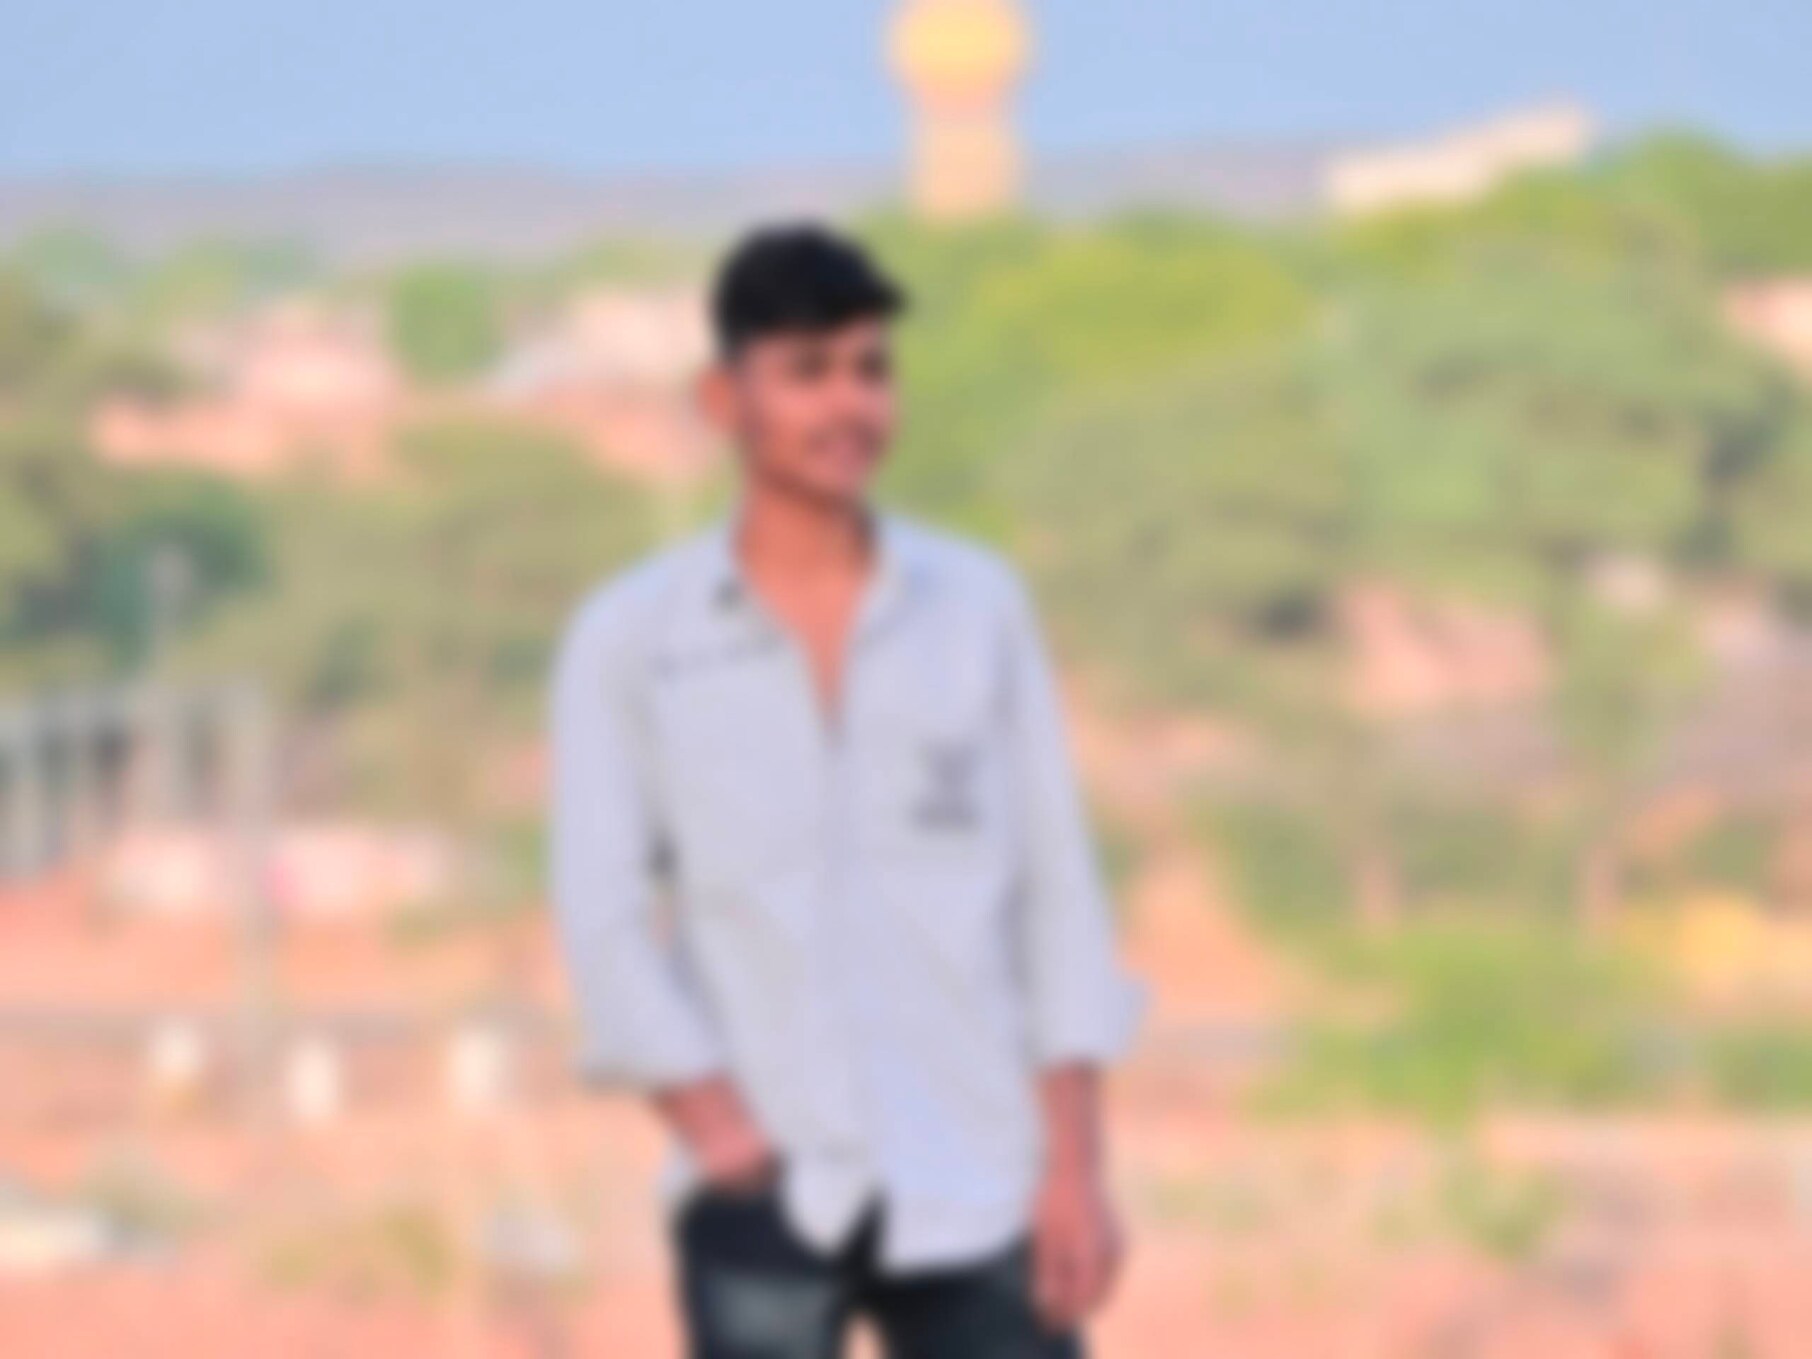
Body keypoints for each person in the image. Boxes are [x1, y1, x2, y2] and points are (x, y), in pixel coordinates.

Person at [550, 223, 1143, 1359]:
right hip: (765, 1186)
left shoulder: (976, 607)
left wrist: (1076, 1167)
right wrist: (710, 1120)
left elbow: (1056, 893)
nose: (848, 405)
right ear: (723, 399)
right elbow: (601, 909)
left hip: (982, 1180)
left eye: (871, 369)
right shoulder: (635, 637)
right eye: (807, 371)